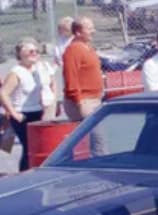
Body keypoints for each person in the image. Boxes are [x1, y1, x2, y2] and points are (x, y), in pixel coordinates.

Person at [1, 38, 55, 171]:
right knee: (28, 147)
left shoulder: (37, 70)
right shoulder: (16, 72)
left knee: (37, 147)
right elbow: (3, 93)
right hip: (22, 114)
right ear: (20, 53)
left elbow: (49, 83)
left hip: (37, 112)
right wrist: (13, 113)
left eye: (37, 51)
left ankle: (35, 172)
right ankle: (24, 175)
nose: (35, 53)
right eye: (31, 51)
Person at [61, 16, 102, 122]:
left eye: (93, 28)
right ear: (78, 32)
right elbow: (70, 78)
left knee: (97, 137)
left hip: (94, 99)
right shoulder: (73, 50)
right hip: (83, 101)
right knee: (97, 138)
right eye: (89, 29)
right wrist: (79, 102)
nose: (93, 31)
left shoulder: (88, 48)